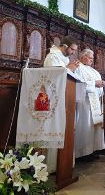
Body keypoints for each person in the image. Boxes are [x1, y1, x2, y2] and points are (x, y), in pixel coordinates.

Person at [43, 35, 79, 172]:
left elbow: (67, 75)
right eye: (72, 49)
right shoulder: (52, 57)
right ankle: (53, 166)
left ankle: (64, 163)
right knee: (56, 128)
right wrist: (68, 68)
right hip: (54, 100)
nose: (73, 52)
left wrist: (70, 69)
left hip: (65, 100)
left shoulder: (64, 58)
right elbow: (53, 78)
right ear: (64, 46)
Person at [74, 49, 105, 161]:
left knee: (94, 127)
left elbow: (99, 86)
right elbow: (78, 84)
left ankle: (93, 150)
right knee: (85, 126)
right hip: (85, 103)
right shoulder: (77, 68)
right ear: (83, 57)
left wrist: (101, 85)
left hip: (95, 101)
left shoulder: (93, 71)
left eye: (92, 58)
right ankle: (82, 153)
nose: (92, 60)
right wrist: (94, 84)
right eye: (90, 58)